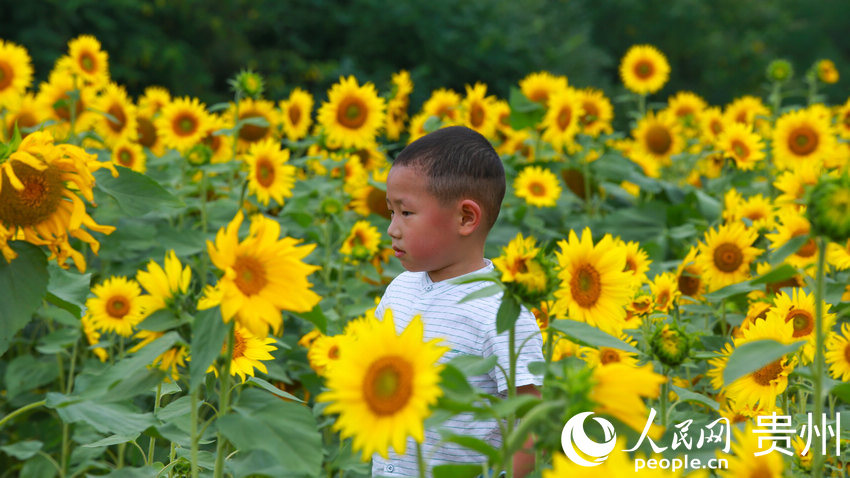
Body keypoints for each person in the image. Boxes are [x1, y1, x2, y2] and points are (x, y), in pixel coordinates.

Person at [374, 125, 544, 477]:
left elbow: (529, 426)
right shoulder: (399, 291)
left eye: (405, 213)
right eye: (390, 211)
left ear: (466, 218)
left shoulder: (502, 312)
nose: (392, 228)